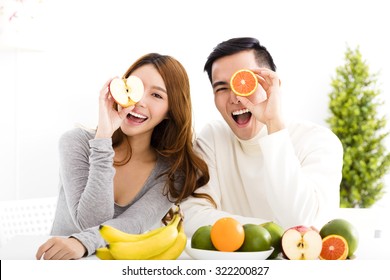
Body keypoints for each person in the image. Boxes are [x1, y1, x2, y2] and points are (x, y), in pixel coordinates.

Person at [36, 53, 211, 260]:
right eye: (134, 87)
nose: (138, 101)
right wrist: (103, 138)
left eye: (156, 95)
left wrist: (82, 242)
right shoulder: (76, 142)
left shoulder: (172, 172)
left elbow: (132, 224)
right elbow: (90, 221)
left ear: (170, 111)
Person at [181, 37, 344, 236]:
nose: (235, 98)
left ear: (271, 85)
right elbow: (190, 215)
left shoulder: (318, 141)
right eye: (222, 88)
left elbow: (301, 220)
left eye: (244, 83)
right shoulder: (214, 138)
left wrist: (273, 123)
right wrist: (273, 232)